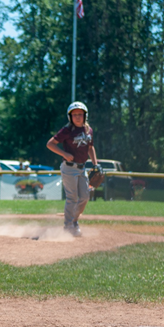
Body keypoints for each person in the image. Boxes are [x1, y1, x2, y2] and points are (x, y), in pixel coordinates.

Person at [46, 101, 98, 237]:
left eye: (80, 114)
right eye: (74, 115)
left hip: (82, 168)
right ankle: (68, 226)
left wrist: (95, 163)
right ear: (70, 117)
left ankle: (74, 221)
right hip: (69, 168)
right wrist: (64, 154)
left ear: (85, 116)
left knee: (85, 197)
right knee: (72, 198)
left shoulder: (88, 130)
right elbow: (50, 144)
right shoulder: (67, 130)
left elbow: (90, 147)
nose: (77, 117)